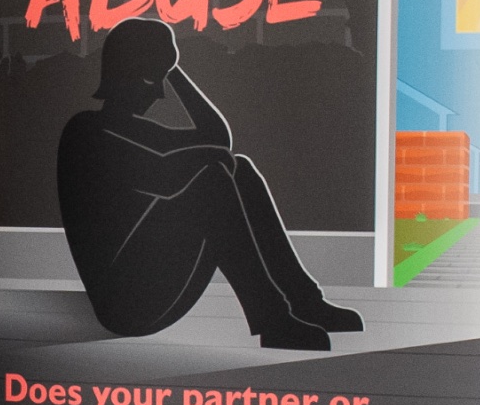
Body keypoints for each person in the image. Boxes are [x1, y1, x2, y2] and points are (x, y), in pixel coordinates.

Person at [54, 18, 363, 349]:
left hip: (155, 281)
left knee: (238, 169)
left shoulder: (138, 129)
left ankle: (304, 302)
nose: (159, 93)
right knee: (212, 181)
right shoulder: (85, 131)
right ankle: (271, 318)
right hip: (125, 304)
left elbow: (218, 138)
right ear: (122, 74)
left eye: (162, 80)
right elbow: (165, 175)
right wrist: (213, 160)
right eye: (150, 78)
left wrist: (171, 70)